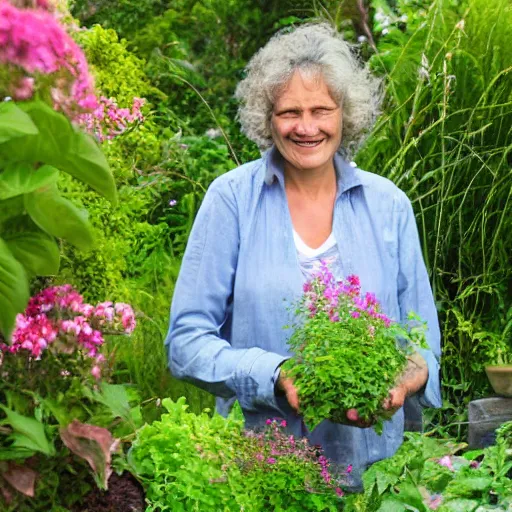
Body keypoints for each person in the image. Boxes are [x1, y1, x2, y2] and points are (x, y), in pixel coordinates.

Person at [166, 22, 441, 490]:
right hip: (263, 474)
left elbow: (423, 346)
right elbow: (185, 343)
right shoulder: (231, 200)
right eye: (289, 112)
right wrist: (274, 374)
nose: (306, 127)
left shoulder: (388, 204)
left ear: (345, 115)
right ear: (267, 118)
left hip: (377, 477)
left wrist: (405, 378)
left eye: (321, 110)